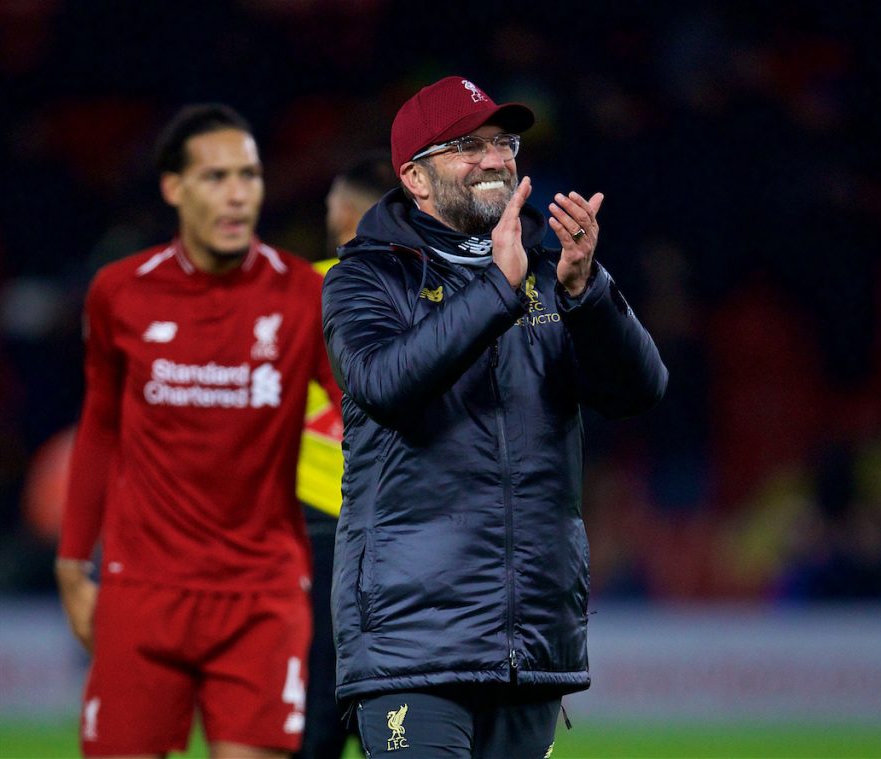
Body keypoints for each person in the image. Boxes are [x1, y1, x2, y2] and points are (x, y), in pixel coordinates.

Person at [322, 76, 668, 757]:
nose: (494, 159)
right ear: (415, 179)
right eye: (466, 146)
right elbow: (384, 384)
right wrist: (496, 290)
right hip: (410, 643)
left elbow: (640, 391)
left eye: (503, 143)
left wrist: (586, 290)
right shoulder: (365, 278)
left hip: (529, 640)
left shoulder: (551, 273)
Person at [55, 103, 344, 759]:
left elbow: (365, 418)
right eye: (216, 176)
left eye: (249, 174)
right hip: (142, 591)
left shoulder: (302, 294)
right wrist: (73, 564)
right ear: (173, 187)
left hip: (262, 596)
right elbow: (99, 431)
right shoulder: (120, 293)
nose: (238, 192)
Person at [295, 152, 391, 759]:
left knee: (317, 705)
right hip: (399, 526)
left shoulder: (306, 287)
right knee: (396, 702)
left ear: (349, 212)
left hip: (320, 524)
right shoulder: (425, 291)